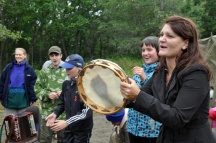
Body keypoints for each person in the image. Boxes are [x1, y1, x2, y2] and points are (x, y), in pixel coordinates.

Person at [120, 16, 216, 143]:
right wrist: (118, 95)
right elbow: (141, 97)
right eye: (161, 35)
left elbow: (178, 118)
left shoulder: (196, 73)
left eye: (170, 36)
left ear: (185, 43)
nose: (162, 40)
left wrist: (137, 95)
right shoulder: (161, 71)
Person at [46, 54, 93, 143]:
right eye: (65, 68)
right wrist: (55, 113)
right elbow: (63, 103)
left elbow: (86, 112)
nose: (66, 70)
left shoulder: (87, 86)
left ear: (79, 68)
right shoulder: (66, 84)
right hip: (69, 128)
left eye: (69, 68)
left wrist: (67, 122)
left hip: (82, 131)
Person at [127, 36, 161, 143]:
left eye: (149, 49)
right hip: (133, 126)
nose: (145, 53)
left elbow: (158, 95)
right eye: (143, 50)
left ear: (159, 52)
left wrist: (144, 78)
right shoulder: (139, 71)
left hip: (150, 129)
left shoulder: (162, 71)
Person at [35, 46, 66, 143]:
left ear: (61, 56)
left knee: (64, 140)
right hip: (47, 113)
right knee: (44, 140)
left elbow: (74, 89)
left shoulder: (67, 71)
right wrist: (47, 95)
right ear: (49, 57)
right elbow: (37, 89)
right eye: (52, 55)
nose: (54, 57)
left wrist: (64, 93)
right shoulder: (44, 72)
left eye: (56, 55)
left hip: (63, 113)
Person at [0, 48, 37, 115]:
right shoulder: (8, 68)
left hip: (24, 102)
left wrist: (33, 98)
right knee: (10, 124)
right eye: (16, 54)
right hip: (9, 102)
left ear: (25, 56)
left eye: (20, 54)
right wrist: (1, 96)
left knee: (23, 124)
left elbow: (33, 85)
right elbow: (1, 82)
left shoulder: (29, 69)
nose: (18, 56)